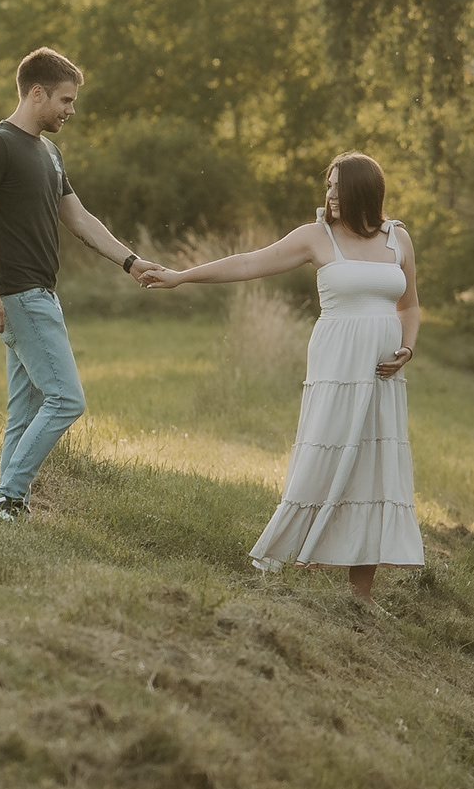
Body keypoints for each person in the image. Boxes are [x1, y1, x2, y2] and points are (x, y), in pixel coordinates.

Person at [141, 150, 420, 595]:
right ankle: (290, 558)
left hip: (383, 375)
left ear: (364, 191)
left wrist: (407, 348)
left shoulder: (398, 239)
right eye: (328, 186)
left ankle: (361, 596)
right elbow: (249, 262)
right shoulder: (317, 236)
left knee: (374, 465)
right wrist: (182, 276)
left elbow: (409, 306)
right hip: (337, 365)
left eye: (338, 187)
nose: (330, 195)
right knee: (326, 454)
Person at [0, 48, 153, 520]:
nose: (71, 110)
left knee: (25, 411)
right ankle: (6, 497)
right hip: (18, 293)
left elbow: (79, 219)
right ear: (37, 93)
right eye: (65, 100)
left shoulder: (48, 152)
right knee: (66, 399)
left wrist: (130, 262)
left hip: (42, 292)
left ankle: (8, 509)